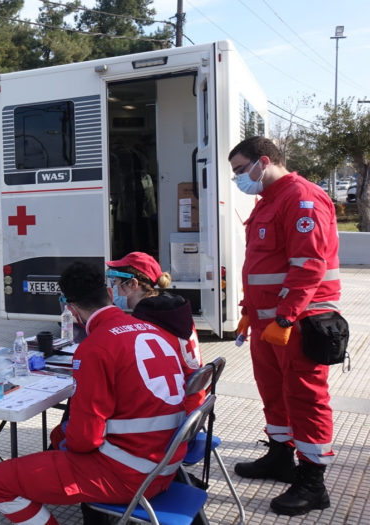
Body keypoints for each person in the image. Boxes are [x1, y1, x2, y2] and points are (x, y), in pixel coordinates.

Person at [0, 261, 187, 525]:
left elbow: (85, 439)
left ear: (70, 309)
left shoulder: (95, 348)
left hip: (131, 473)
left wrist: (67, 442)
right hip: (165, 462)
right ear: (111, 295)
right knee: (58, 435)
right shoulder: (155, 330)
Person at [228, 136, 340, 516]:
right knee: (273, 392)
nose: (239, 179)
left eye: (241, 170)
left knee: (306, 398)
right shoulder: (269, 202)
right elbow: (262, 266)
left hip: (298, 322)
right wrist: (249, 310)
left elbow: (308, 263)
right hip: (267, 323)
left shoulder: (300, 198)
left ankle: (312, 482)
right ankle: (280, 457)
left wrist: (285, 315)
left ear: (264, 161)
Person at [106, 252, 204, 413]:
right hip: (194, 403)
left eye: (116, 283)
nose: (115, 289)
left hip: (175, 410)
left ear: (133, 284)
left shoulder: (148, 324)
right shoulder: (174, 311)